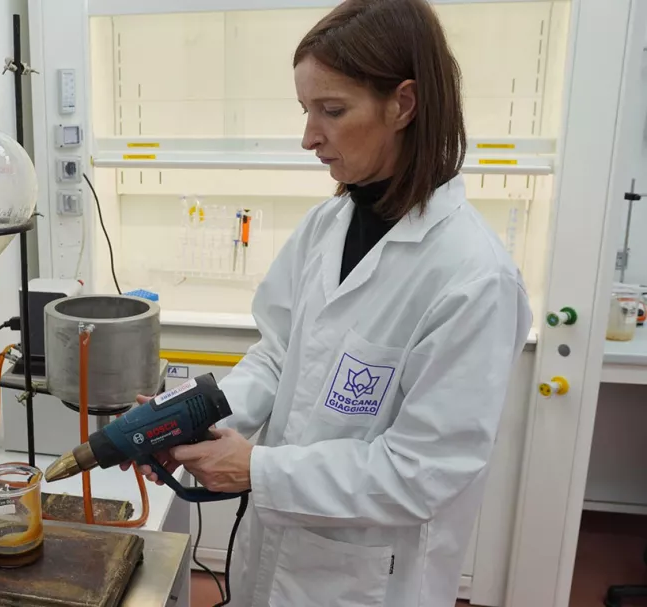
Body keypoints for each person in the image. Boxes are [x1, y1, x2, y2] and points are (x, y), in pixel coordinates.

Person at [125, 0, 533, 605]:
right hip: (279, 546)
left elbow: (423, 472)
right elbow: (277, 356)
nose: (309, 137)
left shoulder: (474, 278)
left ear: (404, 104)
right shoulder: (326, 227)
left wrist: (258, 469)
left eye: (332, 111)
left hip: (369, 576)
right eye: (306, 110)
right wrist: (199, 416)